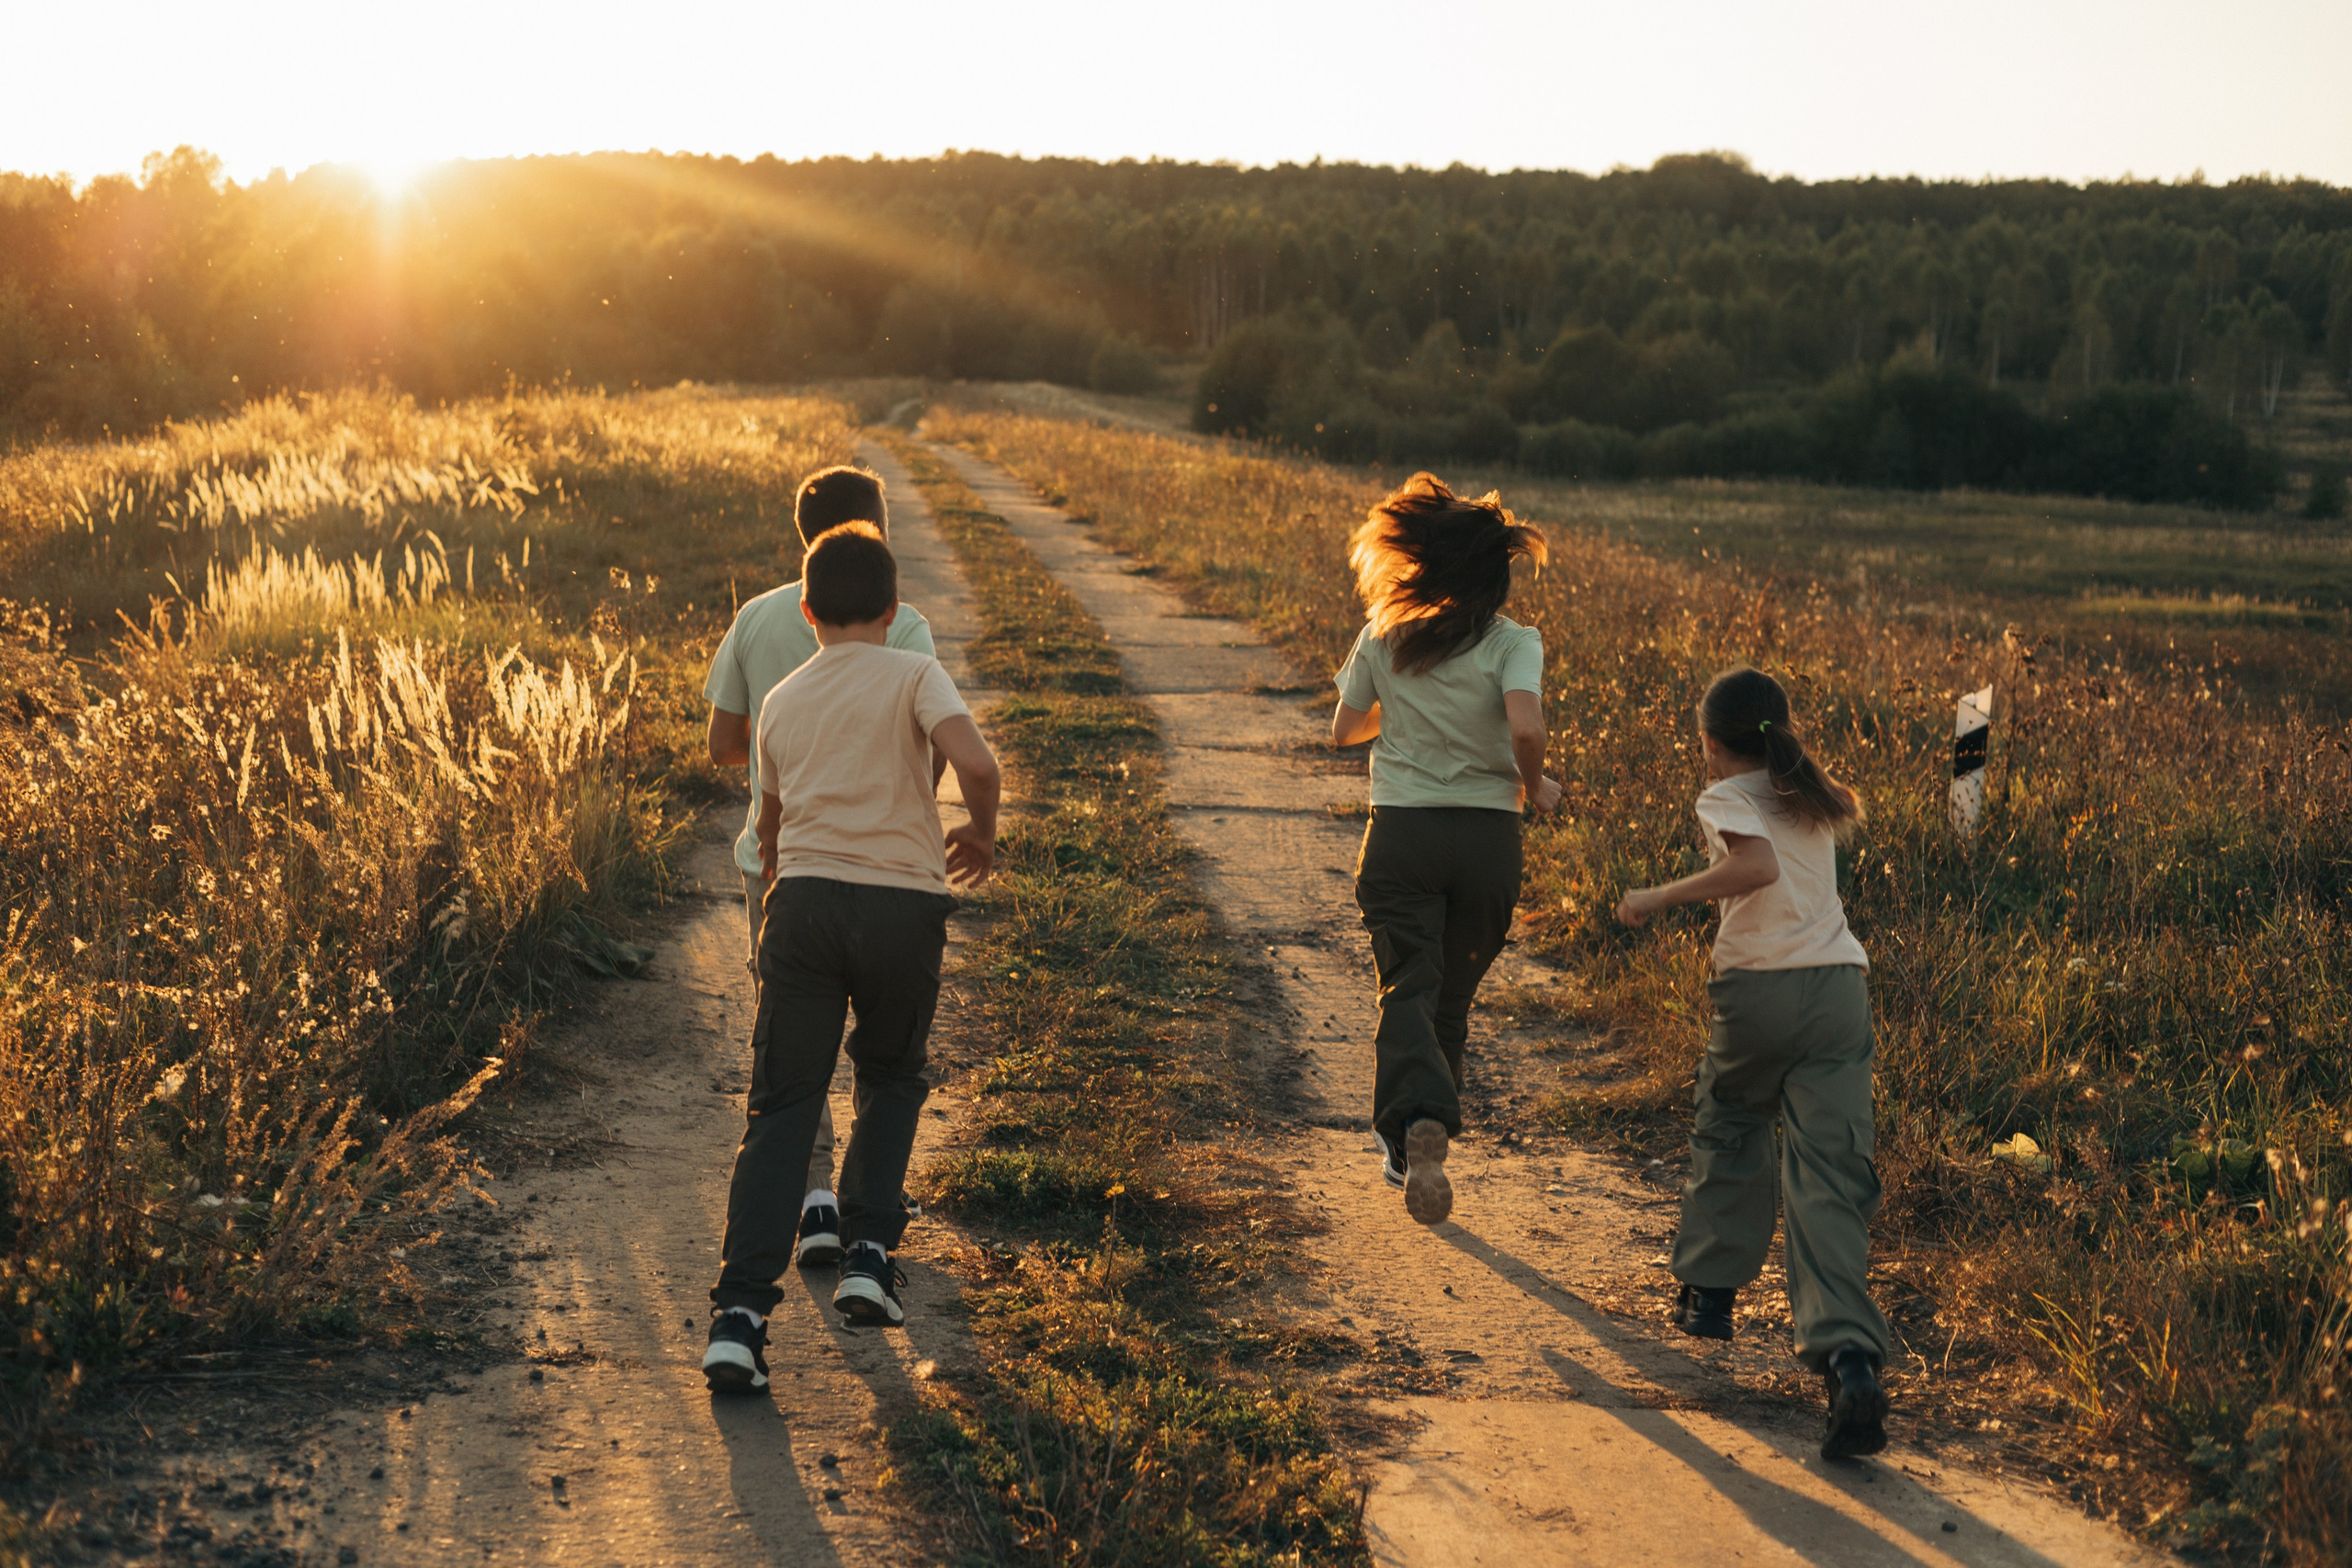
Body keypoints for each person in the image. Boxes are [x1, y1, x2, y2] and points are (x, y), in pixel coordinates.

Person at [702, 524, 1000, 1394]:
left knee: (783, 1105)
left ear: (805, 610)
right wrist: (978, 833)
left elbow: (769, 827)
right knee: (891, 1076)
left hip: (801, 909)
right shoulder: (914, 670)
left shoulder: (785, 697)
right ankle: (868, 1253)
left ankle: (738, 1317)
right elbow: (975, 765)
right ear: (895, 608)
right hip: (902, 907)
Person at [1614, 665, 1891, 1461]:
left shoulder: (1726, 795)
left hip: (1758, 990)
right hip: (1840, 990)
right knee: (1829, 1171)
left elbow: (1756, 868)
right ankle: (1849, 1360)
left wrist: (1658, 896)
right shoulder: (1811, 793)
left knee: (1732, 1120)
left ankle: (1708, 1292)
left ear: (1710, 742)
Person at [703, 465, 936, 1269]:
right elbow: (928, 748)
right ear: (873, 530)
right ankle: (870, 1214)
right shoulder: (901, 622)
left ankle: (814, 1198)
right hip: (879, 863)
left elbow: (723, 744)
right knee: (883, 1049)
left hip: (772, 859)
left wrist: (785, 760)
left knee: (788, 1041)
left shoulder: (758, 616)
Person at [1331, 473, 1556, 1227]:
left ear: (1422, 563)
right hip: (1489, 839)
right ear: (1493, 572)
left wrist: (1398, 716)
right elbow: (1525, 730)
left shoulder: (1384, 636)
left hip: (1403, 833)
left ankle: (1410, 1130)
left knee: (1406, 984)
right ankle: (1421, 1141)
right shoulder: (1513, 643)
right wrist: (1539, 787)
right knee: (1450, 999)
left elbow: (1343, 728)